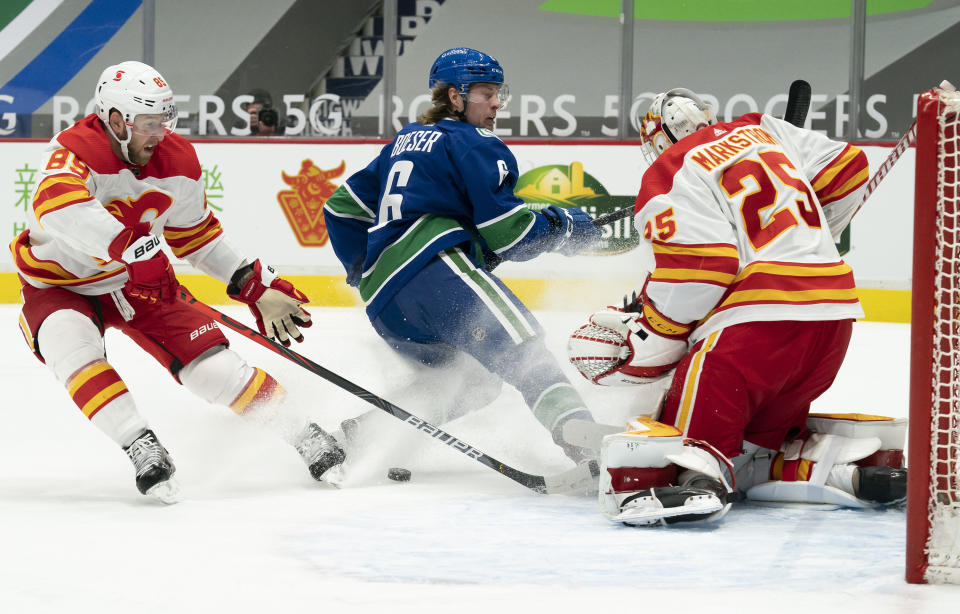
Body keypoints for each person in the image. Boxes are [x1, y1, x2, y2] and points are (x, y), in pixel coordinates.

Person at [568, 87, 907, 525]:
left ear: (655, 143)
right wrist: (802, 237)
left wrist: (656, 334)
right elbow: (848, 170)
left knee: (691, 433)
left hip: (756, 331)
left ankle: (696, 482)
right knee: (755, 444)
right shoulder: (763, 129)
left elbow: (702, 271)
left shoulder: (671, 169)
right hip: (832, 321)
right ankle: (839, 471)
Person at [10, 61, 344, 503]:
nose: (160, 134)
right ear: (116, 121)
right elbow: (58, 206)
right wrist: (133, 250)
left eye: (164, 122)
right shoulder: (74, 151)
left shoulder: (178, 162)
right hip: (58, 286)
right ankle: (140, 443)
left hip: (137, 283)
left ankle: (304, 433)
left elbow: (198, 236)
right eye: (149, 124)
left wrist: (252, 283)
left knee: (214, 371)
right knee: (69, 347)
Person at [322, 47, 605, 469]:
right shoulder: (476, 143)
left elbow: (340, 208)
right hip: (437, 277)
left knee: (473, 380)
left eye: (498, 93)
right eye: (486, 93)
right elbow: (511, 235)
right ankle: (587, 443)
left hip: (385, 306)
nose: (497, 103)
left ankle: (366, 436)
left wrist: (364, 269)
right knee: (523, 349)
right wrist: (564, 227)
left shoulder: (402, 142)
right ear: (455, 96)